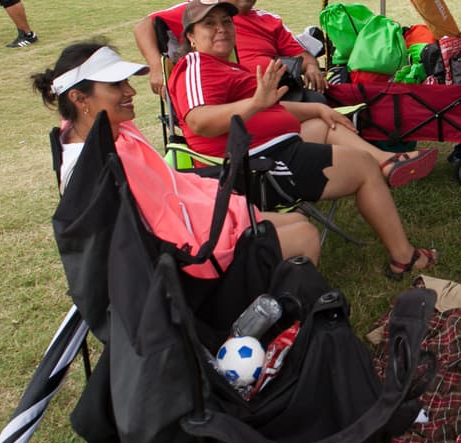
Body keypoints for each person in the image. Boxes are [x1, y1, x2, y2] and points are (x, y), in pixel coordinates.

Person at [168, 0, 438, 281]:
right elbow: (199, 121)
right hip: (254, 169)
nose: (221, 29)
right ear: (191, 37)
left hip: (270, 146)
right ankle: (404, 257)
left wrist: (318, 109)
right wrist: (255, 103)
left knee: (325, 124)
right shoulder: (195, 65)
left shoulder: (224, 66)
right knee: (362, 167)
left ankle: (388, 162)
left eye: (225, 22)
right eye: (209, 24)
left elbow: (270, 107)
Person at [34, 42, 322, 275]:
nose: (130, 91)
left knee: (297, 220)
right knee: (305, 235)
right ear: (79, 99)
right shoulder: (88, 172)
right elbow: (132, 247)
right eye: (115, 86)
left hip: (195, 222)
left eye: (126, 82)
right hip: (186, 257)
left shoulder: (109, 130)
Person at [133, 0, 325, 96]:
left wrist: (312, 68)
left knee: (327, 108)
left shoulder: (269, 21)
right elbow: (144, 26)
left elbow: (302, 56)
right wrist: (156, 67)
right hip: (225, 99)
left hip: (275, 94)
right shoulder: (201, 12)